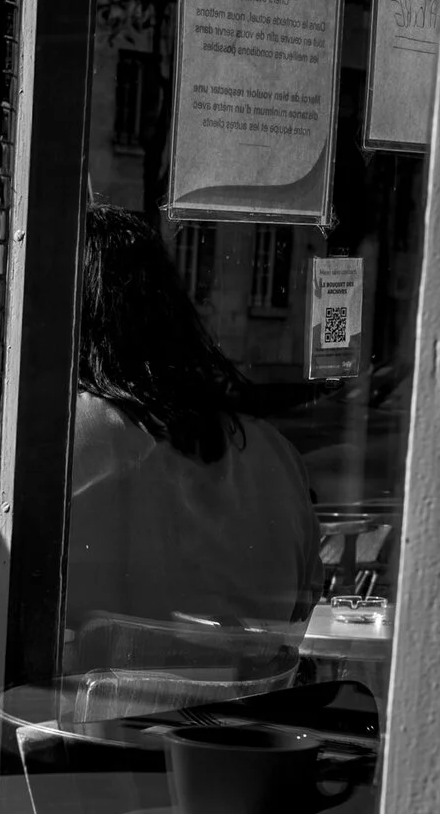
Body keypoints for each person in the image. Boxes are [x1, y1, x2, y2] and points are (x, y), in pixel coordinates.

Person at [62, 206, 322, 680]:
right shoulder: (273, 454)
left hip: (86, 722)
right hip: (243, 723)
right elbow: (298, 616)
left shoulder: (59, 439)